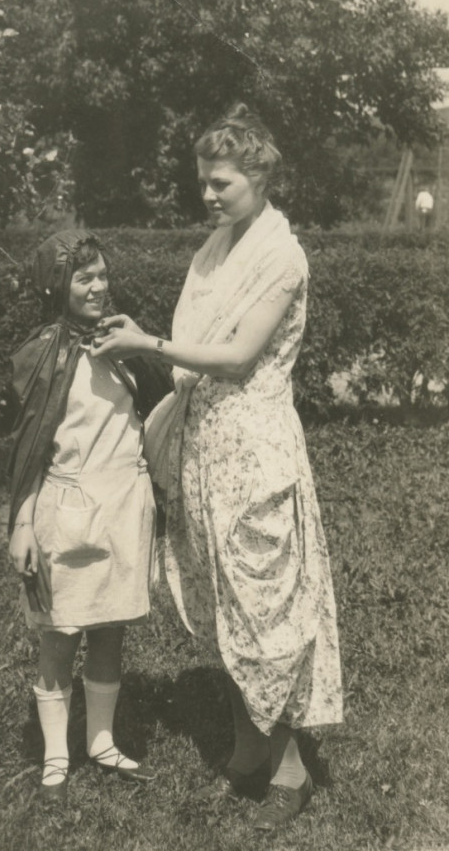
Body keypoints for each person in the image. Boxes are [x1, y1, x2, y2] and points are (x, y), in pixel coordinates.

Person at [91, 104, 343, 832]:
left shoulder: (281, 256)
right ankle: (245, 749)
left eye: (221, 183)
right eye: (203, 181)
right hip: (207, 450)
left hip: (255, 453)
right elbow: (200, 344)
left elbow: (234, 358)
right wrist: (147, 344)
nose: (208, 194)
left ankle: (290, 766)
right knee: (227, 606)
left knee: (270, 609)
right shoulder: (218, 247)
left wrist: (149, 343)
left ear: (260, 178)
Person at [7, 229, 169, 799]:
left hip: (124, 505)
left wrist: (139, 348)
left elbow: (163, 399)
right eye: (85, 278)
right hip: (67, 509)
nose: (99, 286)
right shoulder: (44, 355)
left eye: (103, 275)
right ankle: (56, 754)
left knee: (109, 628)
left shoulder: (122, 340)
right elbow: (28, 452)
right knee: (60, 632)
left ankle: (100, 740)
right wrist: (23, 524)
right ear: (57, 286)